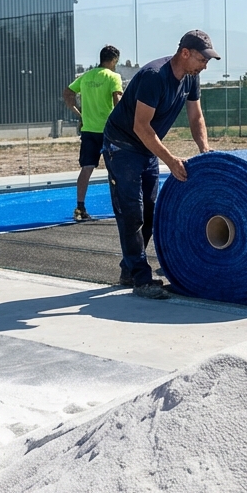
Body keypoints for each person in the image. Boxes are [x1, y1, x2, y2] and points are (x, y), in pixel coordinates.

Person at [102, 29, 217, 299]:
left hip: (146, 148)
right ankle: (141, 278)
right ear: (185, 53)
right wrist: (171, 160)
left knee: (151, 213)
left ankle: (129, 268)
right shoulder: (155, 76)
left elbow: (196, 117)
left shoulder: (191, 78)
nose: (205, 65)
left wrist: (205, 151)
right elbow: (141, 126)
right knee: (131, 213)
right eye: (203, 59)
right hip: (123, 145)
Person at [63, 45, 125, 221]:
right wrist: (124, 122)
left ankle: (80, 208)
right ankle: (122, 207)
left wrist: (80, 114)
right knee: (116, 170)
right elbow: (117, 100)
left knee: (86, 169)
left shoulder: (86, 76)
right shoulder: (114, 77)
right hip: (109, 131)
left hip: (89, 130)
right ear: (114, 60)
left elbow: (67, 94)